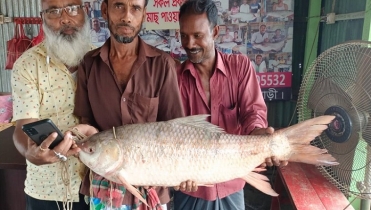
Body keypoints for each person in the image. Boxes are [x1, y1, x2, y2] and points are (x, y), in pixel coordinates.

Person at [74, 0, 186, 209]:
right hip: (103, 189)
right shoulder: (88, 64)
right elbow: (86, 121)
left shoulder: (162, 64)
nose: (127, 16)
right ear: (105, 10)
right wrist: (81, 134)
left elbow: (176, 129)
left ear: (144, 14)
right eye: (119, 6)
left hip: (151, 186)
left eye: (135, 8)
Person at [174, 0, 287, 209]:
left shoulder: (240, 67)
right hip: (192, 189)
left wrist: (257, 132)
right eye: (184, 35)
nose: (189, 44)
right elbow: (174, 133)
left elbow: (253, 111)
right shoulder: (175, 79)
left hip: (232, 183)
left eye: (197, 35)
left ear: (215, 32)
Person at [11, 0, 97, 209]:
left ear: (85, 12)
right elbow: (23, 126)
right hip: (47, 190)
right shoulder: (28, 64)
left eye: (72, 8)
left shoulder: (101, 60)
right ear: (43, 19)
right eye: (53, 12)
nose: (65, 18)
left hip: (97, 186)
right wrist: (31, 154)